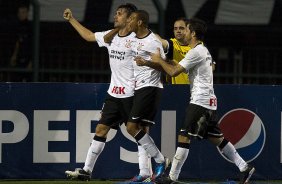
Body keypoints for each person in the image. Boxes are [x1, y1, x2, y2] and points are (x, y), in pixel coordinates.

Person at [144, 18, 255, 184]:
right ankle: (244, 167)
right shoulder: (202, 50)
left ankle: (172, 177)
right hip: (209, 101)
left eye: (186, 29)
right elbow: (182, 67)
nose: (184, 33)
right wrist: (163, 62)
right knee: (217, 138)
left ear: (193, 33)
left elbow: (173, 72)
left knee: (184, 136)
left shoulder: (196, 52)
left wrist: (159, 59)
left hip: (200, 101)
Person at [62, 3, 142, 181]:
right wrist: (72, 20)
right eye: (116, 13)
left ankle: (153, 168)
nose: (116, 16)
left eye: (120, 14)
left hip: (132, 94)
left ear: (130, 19)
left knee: (138, 132)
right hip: (114, 95)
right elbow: (89, 36)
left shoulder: (138, 40)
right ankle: (86, 171)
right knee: (101, 129)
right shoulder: (110, 37)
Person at [125, 9, 171, 182]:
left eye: (131, 19)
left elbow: (165, 67)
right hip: (138, 88)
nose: (128, 22)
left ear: (139, 22)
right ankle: (144, 173)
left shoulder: (153, 42)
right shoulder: (133, 40)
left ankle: (160, 159)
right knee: (142, 130)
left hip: (150, 87)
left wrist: (147, 62)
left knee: (131, 127)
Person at [9, 4, 32, 82]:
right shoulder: (16, 26)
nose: (21, 14)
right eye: (20, 12)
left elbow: (32, 45)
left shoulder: (30, 27)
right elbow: (17, 42)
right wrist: (14, 55)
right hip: (19, 59)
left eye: (23, 12)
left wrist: (31, 61)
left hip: (27, 58)